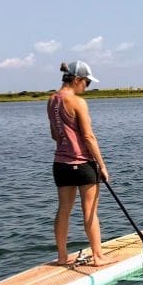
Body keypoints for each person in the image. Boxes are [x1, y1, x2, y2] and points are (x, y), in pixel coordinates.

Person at [47, 60, 111, 266]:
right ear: (76, 79)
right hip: (83, 164)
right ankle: (98, 257)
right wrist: (102, 165)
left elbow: (55, 135)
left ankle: (62, 256)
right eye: (86, 82)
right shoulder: (78, 102)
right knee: (90, 211)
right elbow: (88, 136)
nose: (86, 87)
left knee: (63, 210)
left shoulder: (52, 100)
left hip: (60, 164)